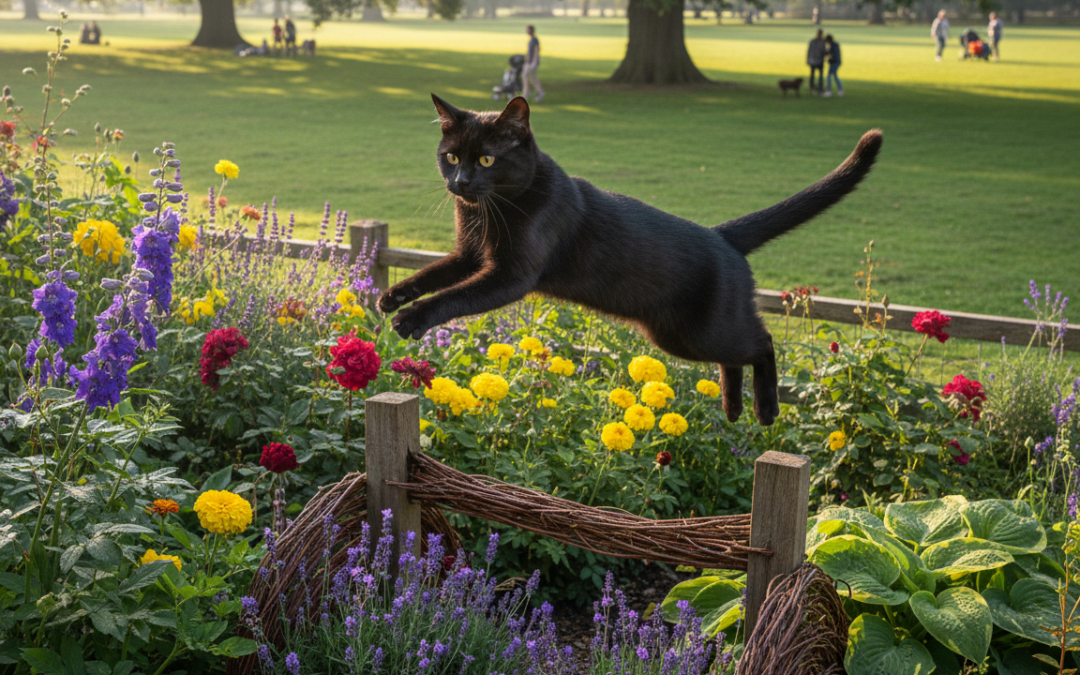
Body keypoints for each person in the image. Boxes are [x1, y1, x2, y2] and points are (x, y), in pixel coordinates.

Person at [522, 25, 545, 103]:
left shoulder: (534, 40)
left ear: (531, 30)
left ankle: (529, 92)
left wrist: (533, 61)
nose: (527, 32)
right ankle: (528, 92)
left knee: (528, 76)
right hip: (529, 62)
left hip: (532, 63)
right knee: (528, 77)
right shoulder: (531, 39)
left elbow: (536, 50)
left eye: (528, 30)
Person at [806, 29, 826, 94]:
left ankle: (812, 86)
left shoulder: (813, 41)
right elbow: (824, 51)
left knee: (812, 74)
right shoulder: (822, 42)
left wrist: (808, 59)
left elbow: (809, 51)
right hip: (819, 60)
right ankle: (820, 87)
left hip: (812, 60)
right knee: (820, 75)